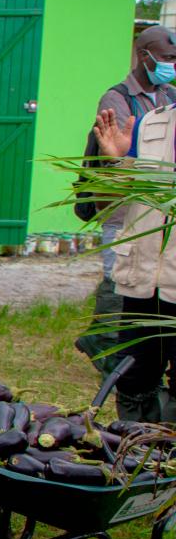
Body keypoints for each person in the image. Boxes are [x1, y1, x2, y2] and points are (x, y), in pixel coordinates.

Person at [75, 25, 176, 386]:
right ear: (143, 55)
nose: (172, 66)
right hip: (132, 226)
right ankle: (105, 346)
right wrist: (118, 162)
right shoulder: (126, 106)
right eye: (167, 59)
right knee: (118, 285)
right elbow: (115, 183)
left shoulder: (166, 95)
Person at [92, 105, 176, 421]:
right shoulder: (148, 125)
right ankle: (135, 453)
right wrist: (114, 162)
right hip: (143, 283)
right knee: (133, 377)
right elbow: (106, 206)